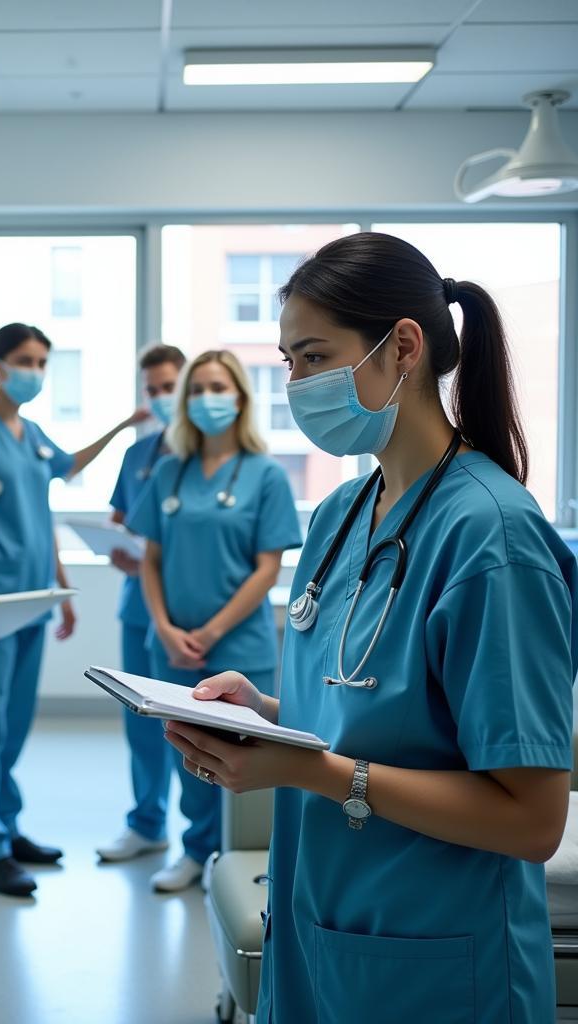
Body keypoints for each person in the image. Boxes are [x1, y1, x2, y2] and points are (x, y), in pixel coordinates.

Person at [165, 232, 578, 1023]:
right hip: (322, 928)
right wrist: (264, 718)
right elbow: (375, 722)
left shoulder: (491, 536)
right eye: (288, 362)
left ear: (404, 348)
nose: (295, 383)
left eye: (315, 357)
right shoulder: (338, 515)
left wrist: (309, 773)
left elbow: (531, 819)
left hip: (439, 958)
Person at [0, 322, 147, 896]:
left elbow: (56, 490)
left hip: (34, 599)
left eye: (41, 361)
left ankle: (6, 828)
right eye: (23, 360)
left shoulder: (32, 433)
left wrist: (60, 588)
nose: (33, 371)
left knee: (12, 728)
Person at [127, 349, 301, 892]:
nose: (207, 399)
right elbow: (149, 559)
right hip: (172, 645)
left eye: (218, 388)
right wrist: (163, 626)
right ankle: (197, 851)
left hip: (236, 646)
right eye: (197, 389)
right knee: (187, 751)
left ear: (242, 398)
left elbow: (266, 569)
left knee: (247, 756)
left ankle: (246, 856)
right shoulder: (169, 472)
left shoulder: (265, 474)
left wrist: (210, 632)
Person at [96, 343, 187, 864]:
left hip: (194, 612)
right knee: (143, 722)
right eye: (152, 390)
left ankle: (206, 842)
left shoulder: (212, 458)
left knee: (199, 729)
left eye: (169, 387)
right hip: (139, 608)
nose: (160, 398)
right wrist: (117, 548)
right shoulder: (138, 455)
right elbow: (119, 520)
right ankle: (147, 824)